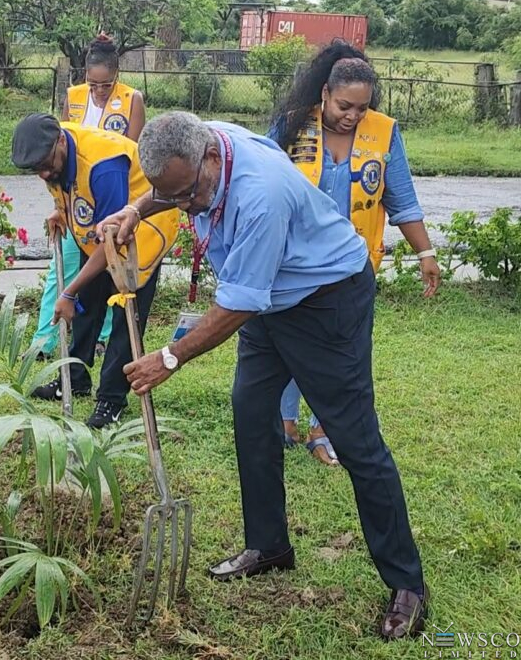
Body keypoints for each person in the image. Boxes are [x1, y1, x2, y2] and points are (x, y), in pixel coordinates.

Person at [99, 112, 428, 640]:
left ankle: (407, 584)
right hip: (271, 298)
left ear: (210, 158)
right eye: (172, 196)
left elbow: (234, 306)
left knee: (355, 439)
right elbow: (173, 192)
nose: (183, 207)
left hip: (326, 300)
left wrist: (169, 357)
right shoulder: (194, 142)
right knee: (252, 411)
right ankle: (269, 544)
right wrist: (137, 207)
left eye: (187, 194)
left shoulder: (260, 194)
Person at [269, 42, 441, 466]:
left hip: (351, 271)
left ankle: (325, 430)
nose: (353, 115)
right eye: (345, 105)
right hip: (291, 267)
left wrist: (426, 254)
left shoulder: (384, 132)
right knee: (287, 344)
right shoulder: (291, 126)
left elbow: (402, 201)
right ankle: (283, 421)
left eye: (361, 108)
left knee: (346, 355)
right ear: (325, 93)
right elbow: (258, 184)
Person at [11, 113, 179, 428]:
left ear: (61, 141)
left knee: (124, 316)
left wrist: (68, 291)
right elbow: (74, 192)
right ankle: (74, 380)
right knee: (87, 306)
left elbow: (112, 240)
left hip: (142, 229)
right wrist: (62, 211)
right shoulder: (54, 154)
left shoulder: (105, 167)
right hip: (105, 231)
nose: (45, 173)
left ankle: (111, 400)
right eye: (37, 170)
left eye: (47, 164)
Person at [30, 34, 147, 359]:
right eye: (92, 84)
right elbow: (58, 154)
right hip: (79, 200)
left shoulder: (132, 99)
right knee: (64, 271)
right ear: (85, 77)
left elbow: (132, 152)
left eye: (105, 85)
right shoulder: (74, 97)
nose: (98, 90)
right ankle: (44, 341)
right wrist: (60, 206)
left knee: (110, 272)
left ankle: (100, 337)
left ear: (116, 76)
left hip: (114, 193)